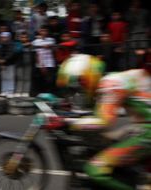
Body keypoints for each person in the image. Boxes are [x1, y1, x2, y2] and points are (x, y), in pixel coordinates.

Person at [57, 53, 151, 190]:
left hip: (148, 132)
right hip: (142, 126)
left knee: (95, 169)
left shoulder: (111, 85)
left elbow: (103, 121)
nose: (79, 91)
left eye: (80, 85)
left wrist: (67, 122)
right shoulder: (114, 79)